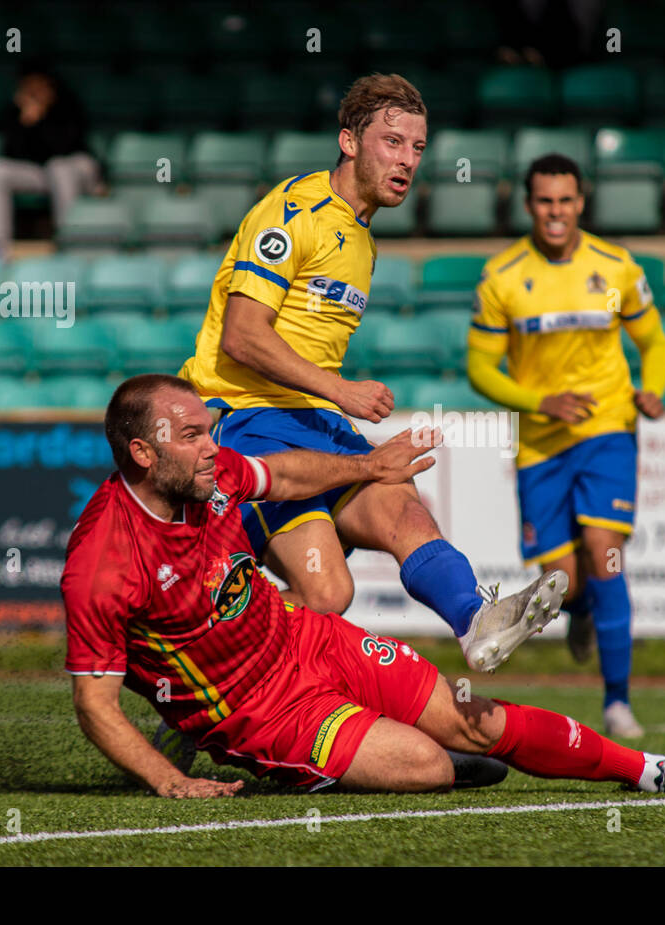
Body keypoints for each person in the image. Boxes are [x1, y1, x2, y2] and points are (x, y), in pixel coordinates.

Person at [61, 374, 665, 798]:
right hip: (261, 713)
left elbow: (285, 476)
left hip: (308, 639)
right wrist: (169, 780)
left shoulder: (214, 474)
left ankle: (653, 770)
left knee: (482, 720)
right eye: (191, 436)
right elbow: (96, 705)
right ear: (144, 453)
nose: (212, 447)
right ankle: (392, 758)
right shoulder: (103, 562)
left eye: (211, 431)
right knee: (426, 766)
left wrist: (368, 463)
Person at [178, 73, 564, 677]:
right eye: (392, 142)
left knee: (403, 508)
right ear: (350, 142)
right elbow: (243, 336)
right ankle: (198, 659)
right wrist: (341, 389)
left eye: (417, 147)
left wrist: (332, 399)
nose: (407, 160)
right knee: (327, 596)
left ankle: (474, 620)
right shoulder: (291, 213)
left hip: (315, 422)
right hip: (245, 418)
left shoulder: (363, 239)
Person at [465, 154, 665, 739]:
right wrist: (539, 402)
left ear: (581, 203)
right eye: (545, 201)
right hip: (541, 446)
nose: (556, 212)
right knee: (565, 584)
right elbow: (479, 367)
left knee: (606, 554)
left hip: (607, 429)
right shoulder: (503, 276)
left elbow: (654, 344)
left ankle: (618, 702)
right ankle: (578, 614)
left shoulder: (616, 268)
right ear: (529, 205)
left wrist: (651, 390)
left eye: (566, 200)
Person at [0, 63, 100, 259]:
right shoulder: (16, 112)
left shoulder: (68, 106)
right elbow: (8, 153)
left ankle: (68, 243)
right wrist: (26, 123)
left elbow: (64, 148)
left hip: (75, 168)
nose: (34, 91)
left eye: (39, 86)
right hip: (40, 174)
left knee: (59, 168)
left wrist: (43, 120)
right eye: (29, 87)